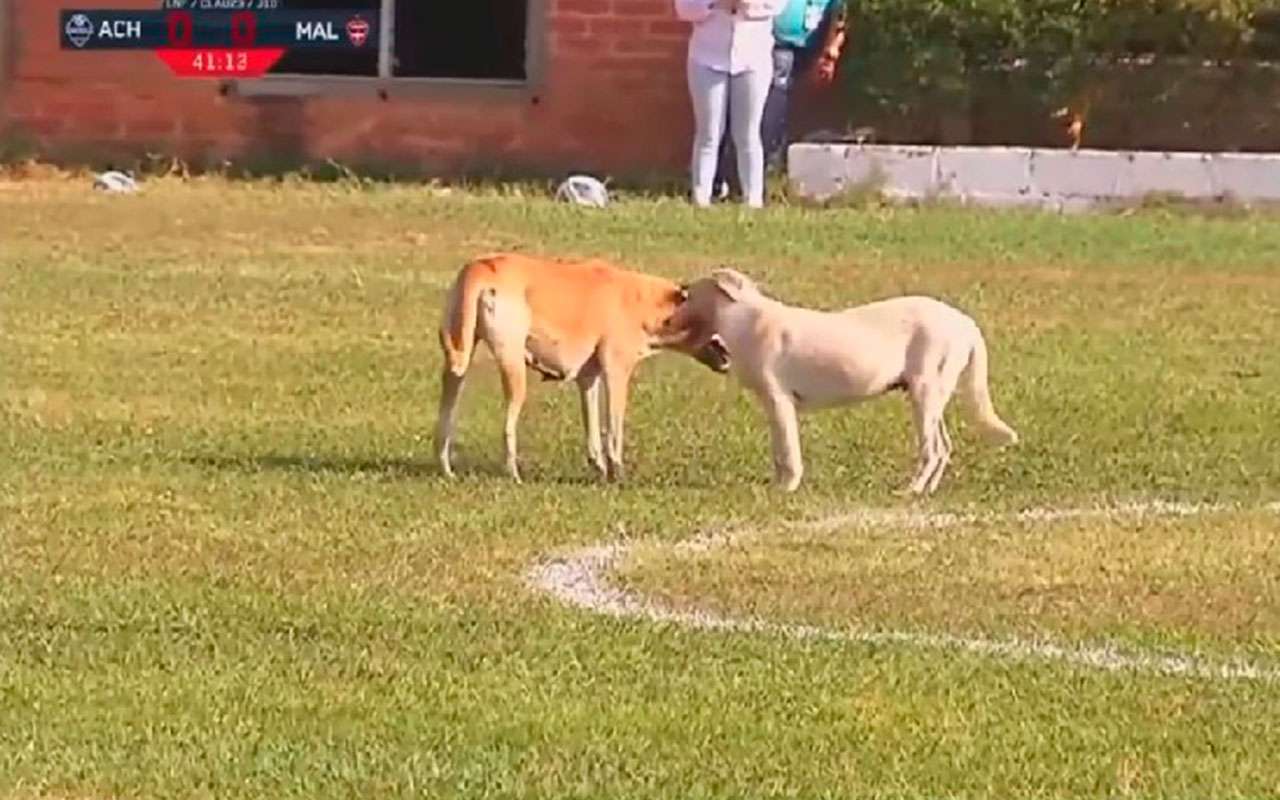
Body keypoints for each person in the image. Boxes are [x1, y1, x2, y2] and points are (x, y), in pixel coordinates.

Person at [713, 0, 848, 200]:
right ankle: (743, 178)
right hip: (776, 42)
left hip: (810, 46)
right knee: (769, 110)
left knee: (786, 111)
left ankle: (766, 173)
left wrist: (831, 50)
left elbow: (840, 15)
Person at [675, 0, 789, 209]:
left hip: (753, 56)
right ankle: (701, 197)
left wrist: (746, 4)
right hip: (707, 56)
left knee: (748, 134)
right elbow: (684, 8)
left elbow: (777, 6)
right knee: (708, 133)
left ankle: (753, 199)